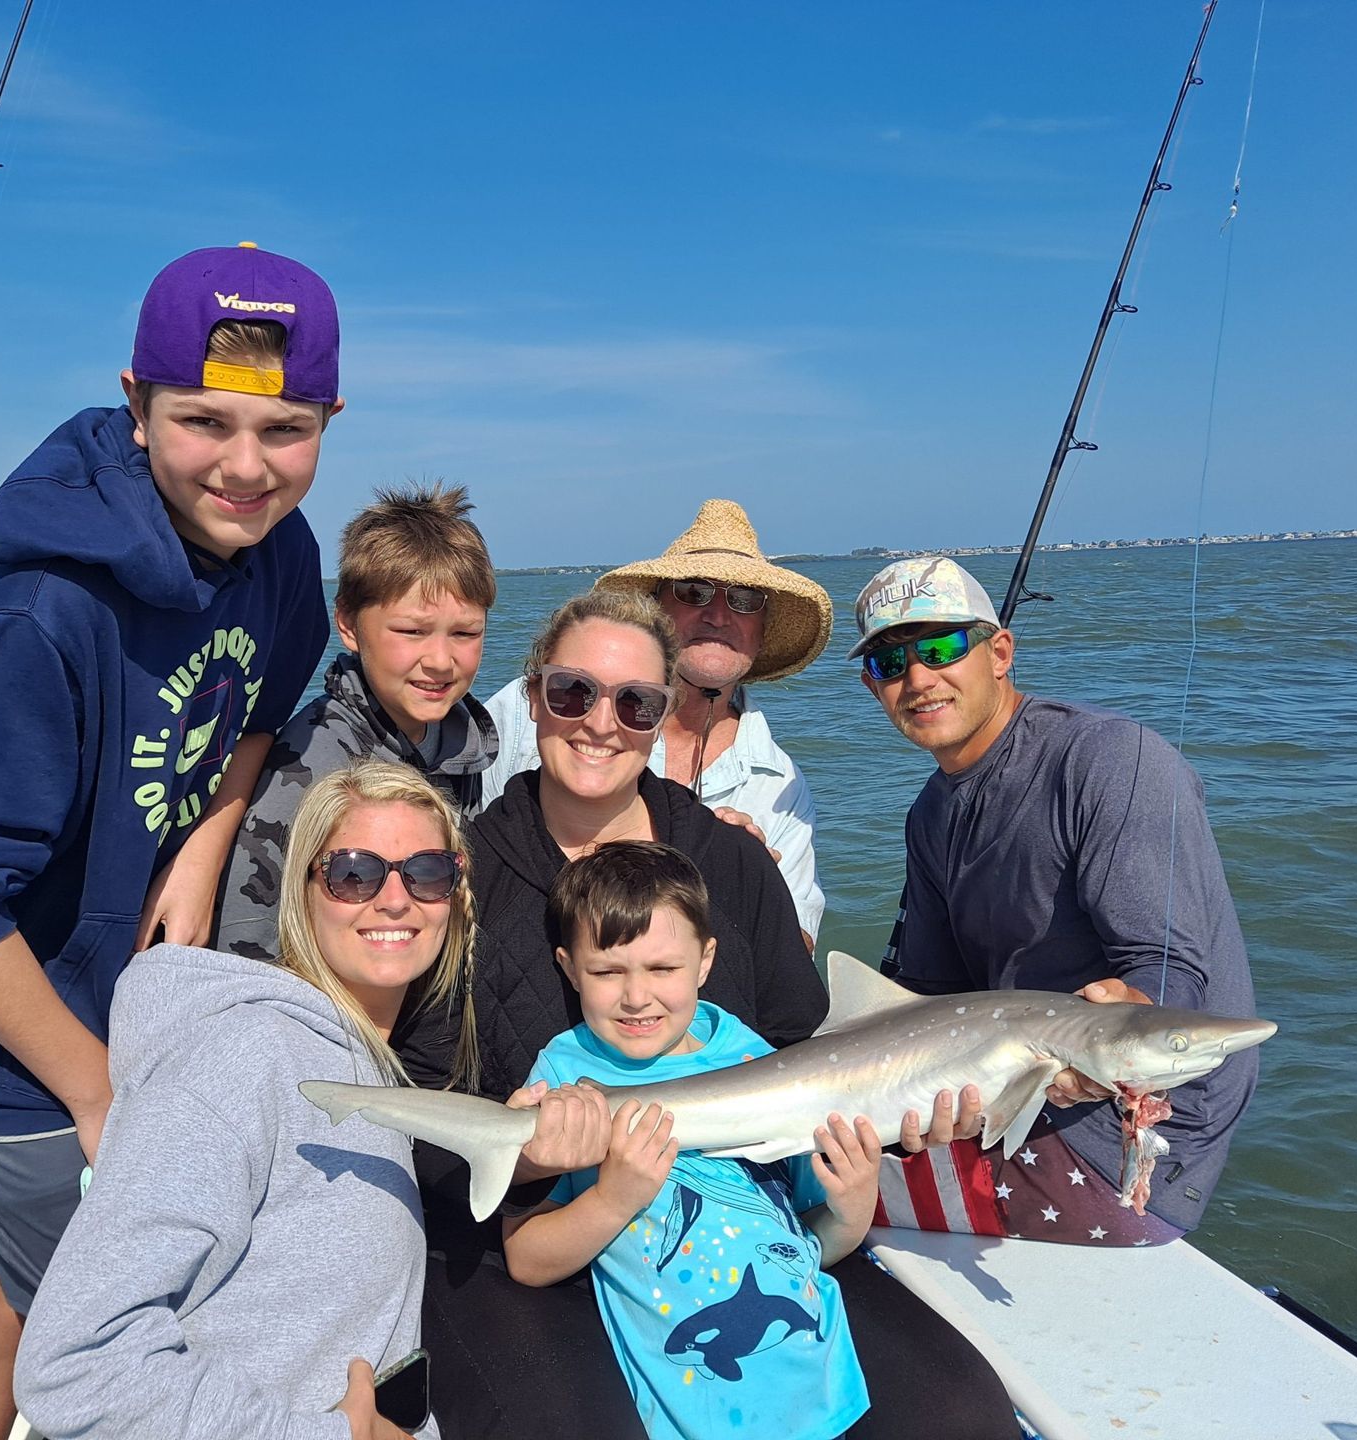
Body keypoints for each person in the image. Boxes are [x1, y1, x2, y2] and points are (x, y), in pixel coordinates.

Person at [0, 244, 340, 1439]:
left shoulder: (278, 550)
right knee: (118, 1329)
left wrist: (206, 840)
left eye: (284, 428)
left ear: (329, 418)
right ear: (135, 405)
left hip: (102, 992)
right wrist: (95, 1089)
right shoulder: (36, 622)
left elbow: (264, 704)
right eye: (202, 421)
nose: (244, 465)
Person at [393, 588, 1016, 1440]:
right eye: (572, 692)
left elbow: (811, 1059)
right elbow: (424, 1120)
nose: (599, 723)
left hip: (739, 1226)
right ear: (534, 693)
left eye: (635, 702)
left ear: (664, 712)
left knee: (960, 1417)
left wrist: (903, 1118)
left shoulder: (732, 865)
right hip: (529, 1241)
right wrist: (534, 1159)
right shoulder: (461, 880)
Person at [15, 760, 475, 1438]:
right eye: (355, 872)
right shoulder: (244, 1058)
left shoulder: (369, 1060)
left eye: (427, 871)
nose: (395, 898)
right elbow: (75, 1361)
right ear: (305, 890)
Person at [849, 554, 1262, 1246]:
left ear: (1000, 651)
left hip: (1123, 1141)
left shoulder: (1110, 761)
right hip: (1010, 1096)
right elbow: (923, 992)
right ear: (872, 688)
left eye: (943, 647)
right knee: (806, 1163)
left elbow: (1166, 970)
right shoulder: (929, 814)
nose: (919, 678)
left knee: (803, 1204)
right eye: (892, 664)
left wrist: (1120, 1035)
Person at [503, 842, 879, 1440]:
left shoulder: (757, 1058)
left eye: (663, 968)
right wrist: (613, 1198)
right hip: (696, 1415)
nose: (636, 996)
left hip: (828, 1386)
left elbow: (810, 1246)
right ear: (568, 968)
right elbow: (525, 1260)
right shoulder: (568, 1081)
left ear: (706, 962)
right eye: (605, 972)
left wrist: (855, 1209)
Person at [480, 500, 831, 944]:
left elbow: (795, 952)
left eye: (744, 600)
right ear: (657, 608)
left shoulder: (780, 783)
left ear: (762, 630)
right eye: (693, 591)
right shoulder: (538, 702)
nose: (719, 615)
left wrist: (751, 882)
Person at [215, 482, 499, 961]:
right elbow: (245, 927)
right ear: (347, 624)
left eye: (465, 633)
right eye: (412, 631)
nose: (441, 660)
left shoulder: (460, 743)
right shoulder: (313, 760)